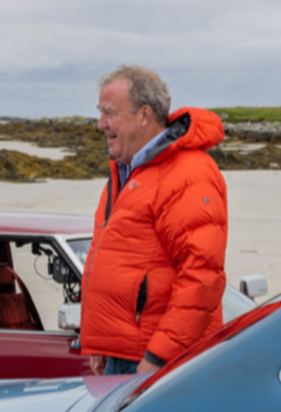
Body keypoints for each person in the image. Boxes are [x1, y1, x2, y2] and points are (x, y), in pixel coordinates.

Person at [81, 65, 228, 376]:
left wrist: (158, 360)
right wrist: (104, 342)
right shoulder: (125, 173)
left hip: (161, 364)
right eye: (100, 112)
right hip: (127, 356)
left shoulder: (189, 173)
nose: (100, 124)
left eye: (109, 112)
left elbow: (202, 276)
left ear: (144, 115)